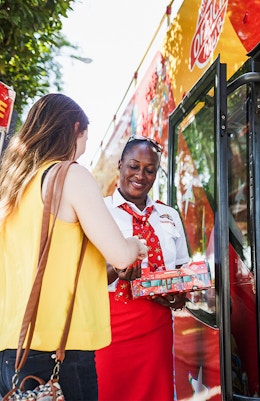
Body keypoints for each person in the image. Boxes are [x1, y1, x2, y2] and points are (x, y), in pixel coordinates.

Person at [0, 93, 148, 400]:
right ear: (75, 129)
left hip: (8, 349)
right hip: (57, 349)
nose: (84, 149)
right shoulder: (68, 175)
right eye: (85, 138)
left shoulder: (12, 184)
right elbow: (120, 255)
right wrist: (136, 245)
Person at [94, 136, 190, 401]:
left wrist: (179, 295)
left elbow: (180, 266)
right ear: (120, 164)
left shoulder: (168, 215)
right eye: (134, 166)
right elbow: (82, 276)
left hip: (157, 328)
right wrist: (117, 269)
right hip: (110, 329)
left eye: (150, 170)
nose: (140, 175)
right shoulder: (98, 211)